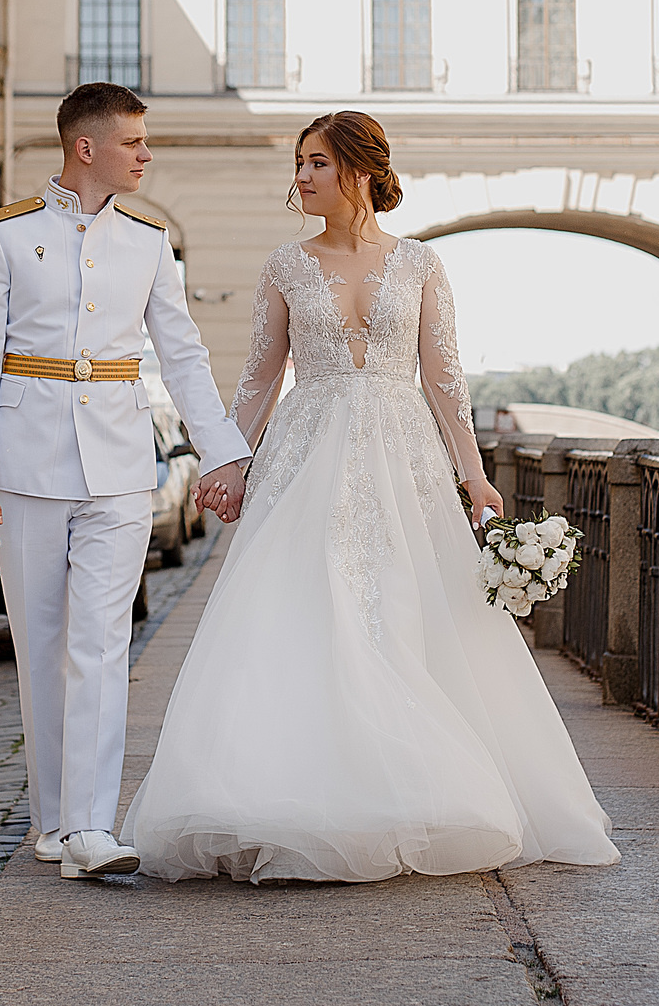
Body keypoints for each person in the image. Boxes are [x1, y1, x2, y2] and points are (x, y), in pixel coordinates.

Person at [125, 111, 620, 883]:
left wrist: (475, 473)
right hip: (305, 451)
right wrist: (226, 459)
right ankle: (290, 794)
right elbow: (261, 377)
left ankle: (417, 792)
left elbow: (444, 381)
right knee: (302, 610)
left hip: (403, 455)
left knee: (405, 607)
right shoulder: (285, 265)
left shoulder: (420, 263)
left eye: (316, 162)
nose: (301, 177)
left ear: (358, 170)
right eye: (299, 162)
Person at [0, 83, 251, 880]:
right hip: (26, 465)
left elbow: (183, 357)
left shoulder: (150, 242)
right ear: (86, 147)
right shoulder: (5, 236)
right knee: (42, 645)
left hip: (120, 466)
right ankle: (53, 822)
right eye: (134, 142)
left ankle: (90, 825)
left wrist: (221, 452)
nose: (147, 155)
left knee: (100, 643)